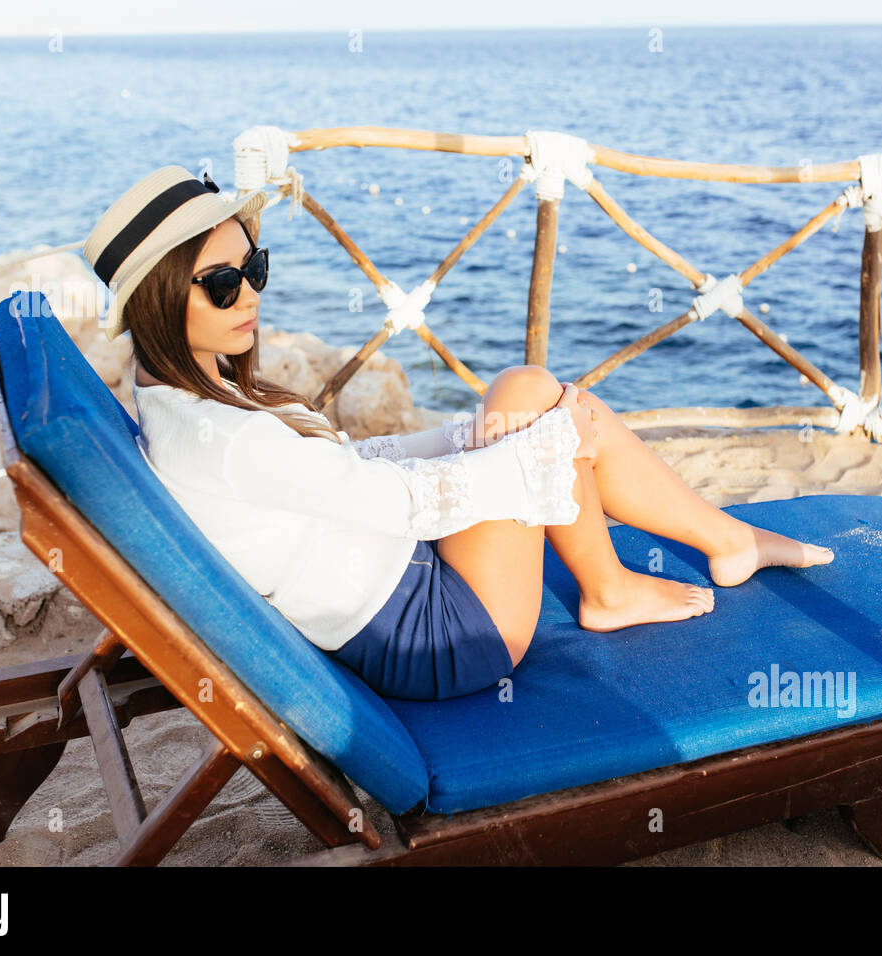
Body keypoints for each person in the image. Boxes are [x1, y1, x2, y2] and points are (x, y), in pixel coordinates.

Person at [83, 166, 834, 701]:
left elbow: (347, 468)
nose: (248, 295)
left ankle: (693, 555)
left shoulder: (180, 395)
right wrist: (533, 445)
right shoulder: (224, 439)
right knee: (535, 400)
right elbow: (398, 505)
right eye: (221, 284)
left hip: (405, 575)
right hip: (439, 638)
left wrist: (474, 437)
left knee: (529, 404)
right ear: (157, 301)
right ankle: (640, 576)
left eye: (253, 268)